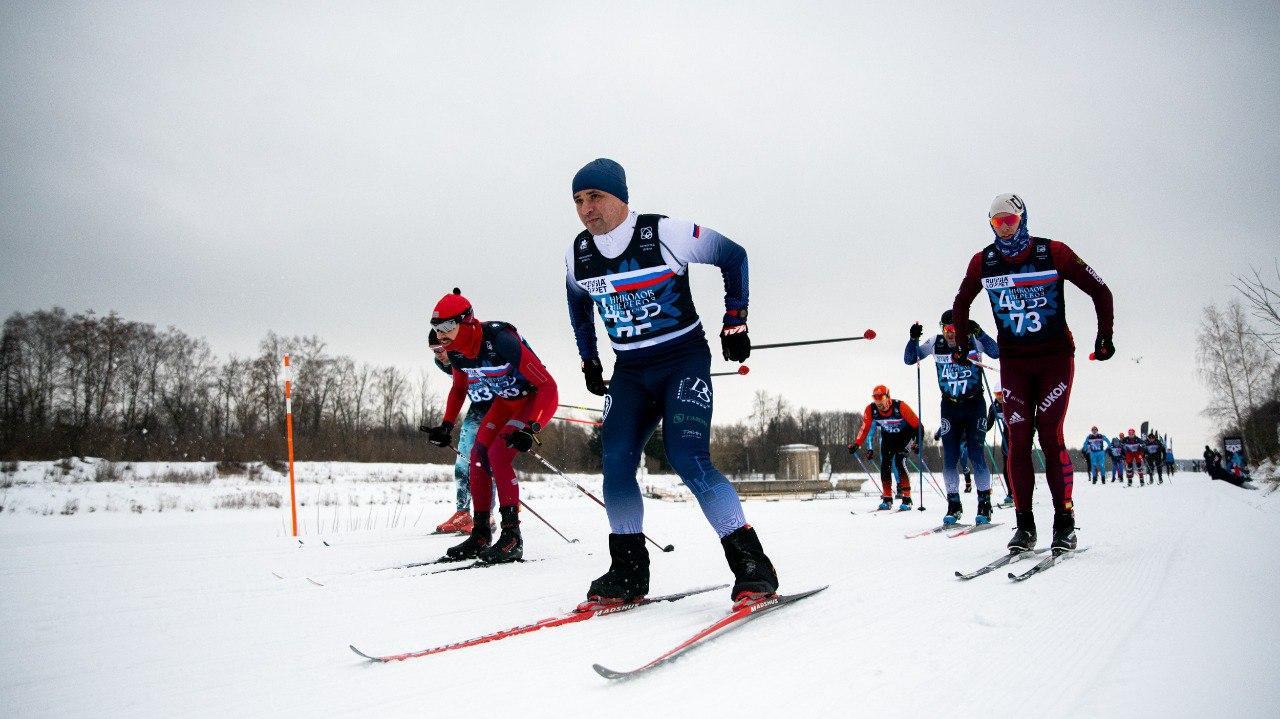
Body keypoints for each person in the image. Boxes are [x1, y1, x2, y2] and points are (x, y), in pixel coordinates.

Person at [564, 158, 778, 606]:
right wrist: (589, 361)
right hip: (630, 373)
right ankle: (627, 572)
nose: (587, 209)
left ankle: (752, 567)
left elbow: (733, 255)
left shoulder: (665, 233)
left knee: (687, 456)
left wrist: (735, 320)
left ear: (621, 196)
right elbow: (579, 310)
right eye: (579, 200)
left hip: (682, 361)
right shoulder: (577, 255)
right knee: (616, 459)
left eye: (596, 197)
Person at [950, 193, 1115, 554]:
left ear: (1023, 219)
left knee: (1050, 435)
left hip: (1054, 358)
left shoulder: (1053, 252)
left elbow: (1100, 289)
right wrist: (961, 345)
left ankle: (1064, 523)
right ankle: (1025, 526)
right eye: (997, 223)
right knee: (1019, 439)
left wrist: (1104, 337)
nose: (1005, 229)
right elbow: (961, 302)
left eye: (1010, 221)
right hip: (1014, 363)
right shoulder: (984, 261)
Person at [423, 289, 559, 564]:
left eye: (447, 326)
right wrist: (446, 425)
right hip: (505, 402)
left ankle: (512, 537)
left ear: (467, 321)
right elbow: (459, 388)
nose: (441, 335)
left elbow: (548, 385)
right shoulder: (456, 352)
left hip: (530, 400)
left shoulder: (500, 339)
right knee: (477, 457)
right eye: (436, 328)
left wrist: (531, 428)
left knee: (498, 454)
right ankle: (481, 533)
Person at [905, 310, 999, 525]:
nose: (951, 334)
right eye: (947, 329)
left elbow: (996, 352)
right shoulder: (933, 343)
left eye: (956, 329)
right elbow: (910, 359)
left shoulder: (973, 340)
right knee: (950, 458)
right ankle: (954, 505)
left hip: (974, 404)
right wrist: (912, 339)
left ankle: (984, 503)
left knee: (976, 456)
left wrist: (981, 333)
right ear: (942, 329)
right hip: (949, 406)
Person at [427, 329, 491, 535]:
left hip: (498, 406)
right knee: (463, 460)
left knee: (485, 460)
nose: (438, 354)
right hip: (478, 407)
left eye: (441, 348)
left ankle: (487, 515)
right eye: (433, 350)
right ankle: (462, 512)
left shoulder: (470, 354)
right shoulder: (444, 363)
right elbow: (458, 386)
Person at [850, 385, 922, 511]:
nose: (879, 403)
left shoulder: (900, 406)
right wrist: (857, 444)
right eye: (875, 399)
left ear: (888, 397)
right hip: (888, 438)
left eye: (881, 399)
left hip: (905, 437)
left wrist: (918, 443)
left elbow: (918, 426)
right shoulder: (871, 409)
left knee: (900, 462)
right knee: (885, 465)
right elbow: (865, 428)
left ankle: (907, 498)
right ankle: (887, 498)